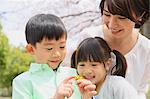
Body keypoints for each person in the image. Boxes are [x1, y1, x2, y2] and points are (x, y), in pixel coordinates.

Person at [64, 0, 150, 98]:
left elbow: (140, 90)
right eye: (107, 15)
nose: (112, 24)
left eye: (121, 17)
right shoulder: (88, 37)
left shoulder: (146, 50)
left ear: (141, 15)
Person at [12, 14, 96, 99]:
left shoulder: (74, 74)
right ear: (31, 49)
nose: (57, 54)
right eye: (49, 48)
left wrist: (86, 97)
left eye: (62, 47)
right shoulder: (22, 82)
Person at [71, 37, 138, 99]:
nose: (87, 71)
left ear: (107, 64)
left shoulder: (118, 86)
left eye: (94, 65)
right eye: (82, 65)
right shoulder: (74, 88)